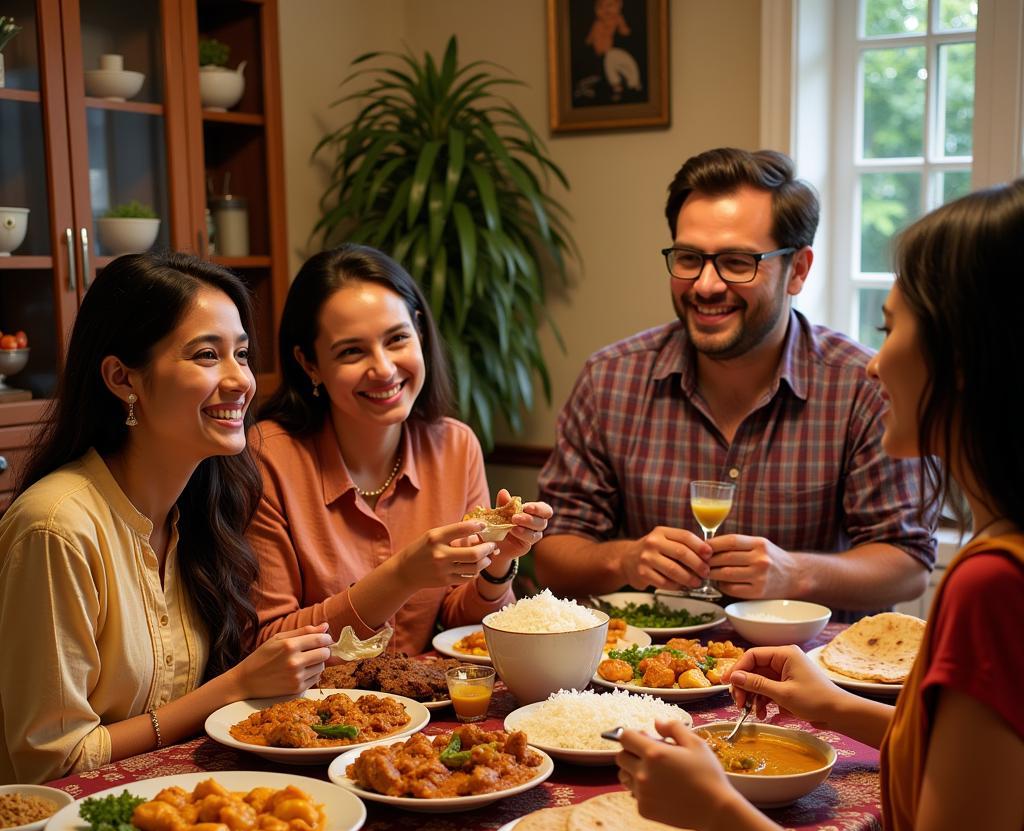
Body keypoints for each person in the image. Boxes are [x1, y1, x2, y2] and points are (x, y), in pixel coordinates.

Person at [617, 181, 1024, 831]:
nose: (876, 361)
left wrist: (717, 810)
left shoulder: (994, 585)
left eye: (894, 329)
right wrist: (836, 707)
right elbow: (982, 771)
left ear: (964, 357)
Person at [534, 148, 936, 614]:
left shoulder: (861, 388)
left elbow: (907, 566)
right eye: (688, 258)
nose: (705, 285)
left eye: (737, 262)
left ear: (798, 270)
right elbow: (552, 556)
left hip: (809, 673)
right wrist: (624, 559)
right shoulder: (611, 380)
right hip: (643, 673)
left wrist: (797, 573)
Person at [0, 252, 334, 785]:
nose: (240, 381)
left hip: (172, 800)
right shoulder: (56, 528)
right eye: (206, 355)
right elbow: (51, 761)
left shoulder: (197, 512)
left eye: (242, 354)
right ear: (121, 378)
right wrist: (234, 688)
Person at [249, 244, 552, 654]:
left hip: (432, 709)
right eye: (352, 351)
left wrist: (497, 564)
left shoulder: (456, 446)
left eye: (396, 339)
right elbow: (268, 643)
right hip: (312, 710)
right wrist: (401, 575)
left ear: (420, 333)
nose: (385, 369)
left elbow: (461, 630)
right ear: (309, 363)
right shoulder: (269, 456)